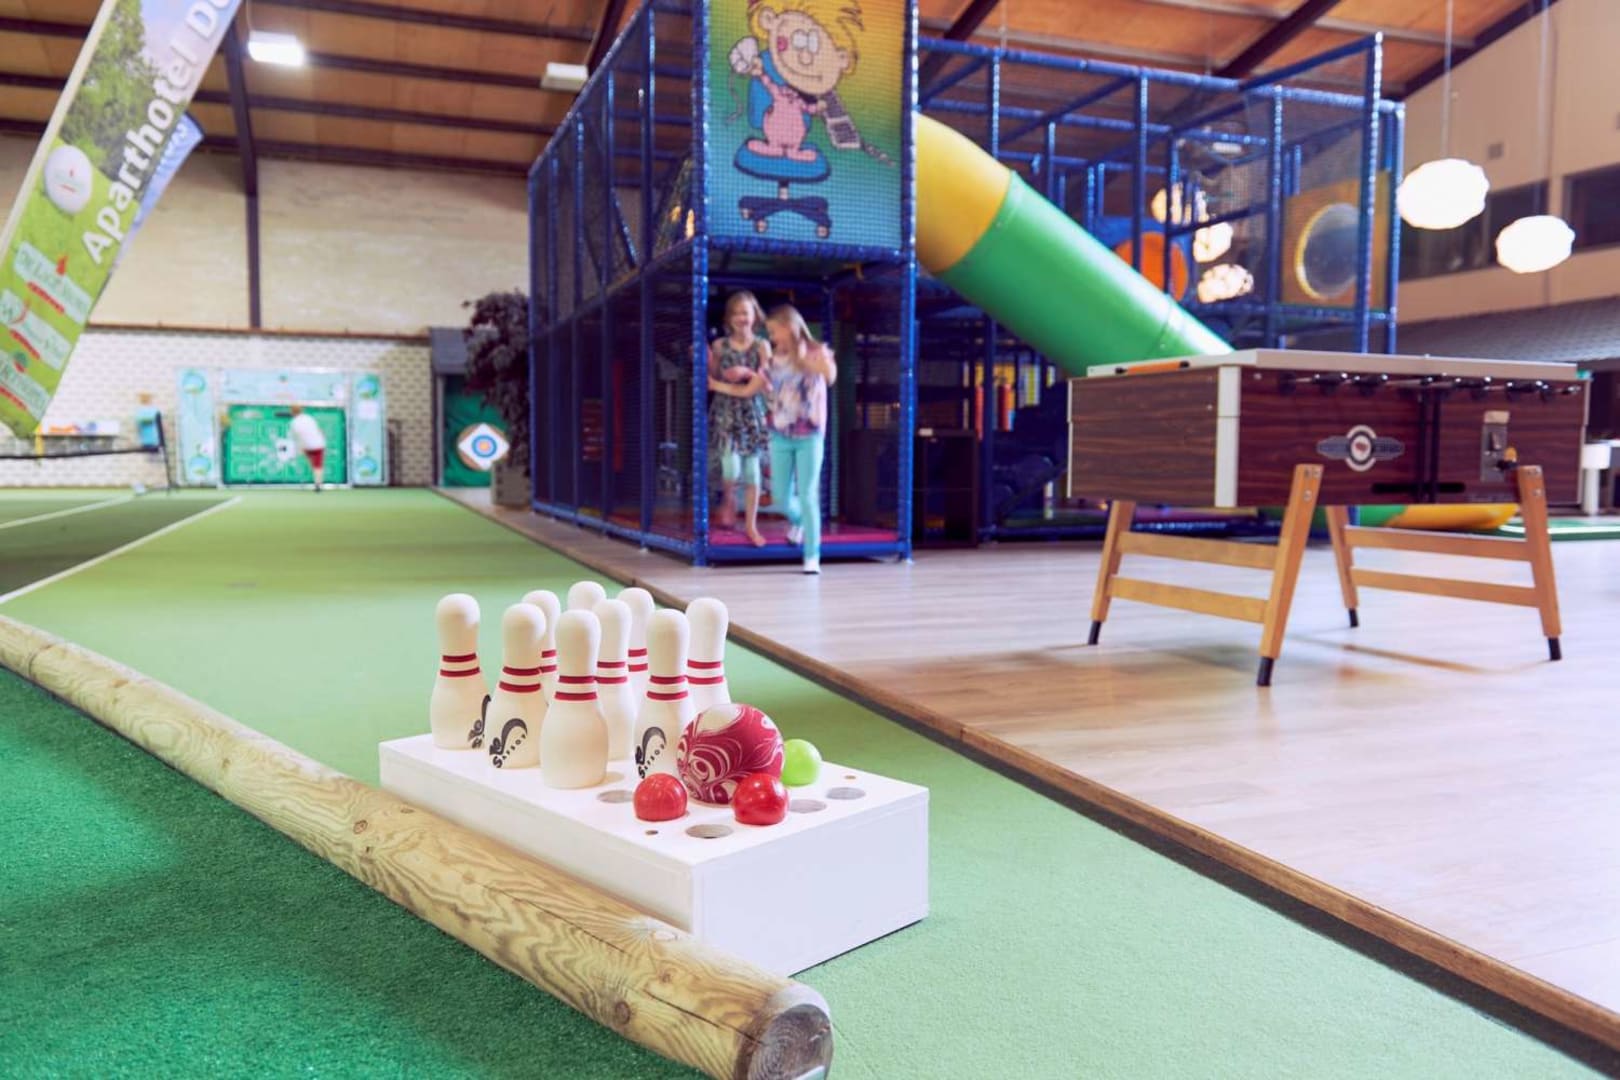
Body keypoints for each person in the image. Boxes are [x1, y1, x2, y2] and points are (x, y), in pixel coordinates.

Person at [761, 304, 836, 574]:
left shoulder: (816, 351)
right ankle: (800, 521)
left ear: (790, 327)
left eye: (774, 331)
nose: (772, 337)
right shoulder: (774, 359)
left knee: (808, 494)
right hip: (780, 434)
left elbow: (830, 377)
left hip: (810, 435)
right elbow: (765, 386)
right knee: (780, 495)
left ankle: (812, 555)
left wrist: (805, 360)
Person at [706, 291, 772, 546]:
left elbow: (766, 381)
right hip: (726, 411)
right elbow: (713, 377)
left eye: (745, 313)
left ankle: (751, 526)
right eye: (736, 313)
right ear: (728, 318)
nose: (741, 318)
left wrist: (746, 372)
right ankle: (729, 498)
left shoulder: (761, 346)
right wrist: (707, 361)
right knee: (731, 467)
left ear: (755, 316)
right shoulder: (720, 345)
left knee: (753, 472)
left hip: (751, 413)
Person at [287, 405, 327, 492]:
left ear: (292, 412)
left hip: (307, 445)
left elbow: (296, 436)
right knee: (318, 465)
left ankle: (313, 480)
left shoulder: (294, 422)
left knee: (314, 464)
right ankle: (318, 484)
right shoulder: (309, 418)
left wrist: (299, 448)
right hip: (318, 444)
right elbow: (319, 430)